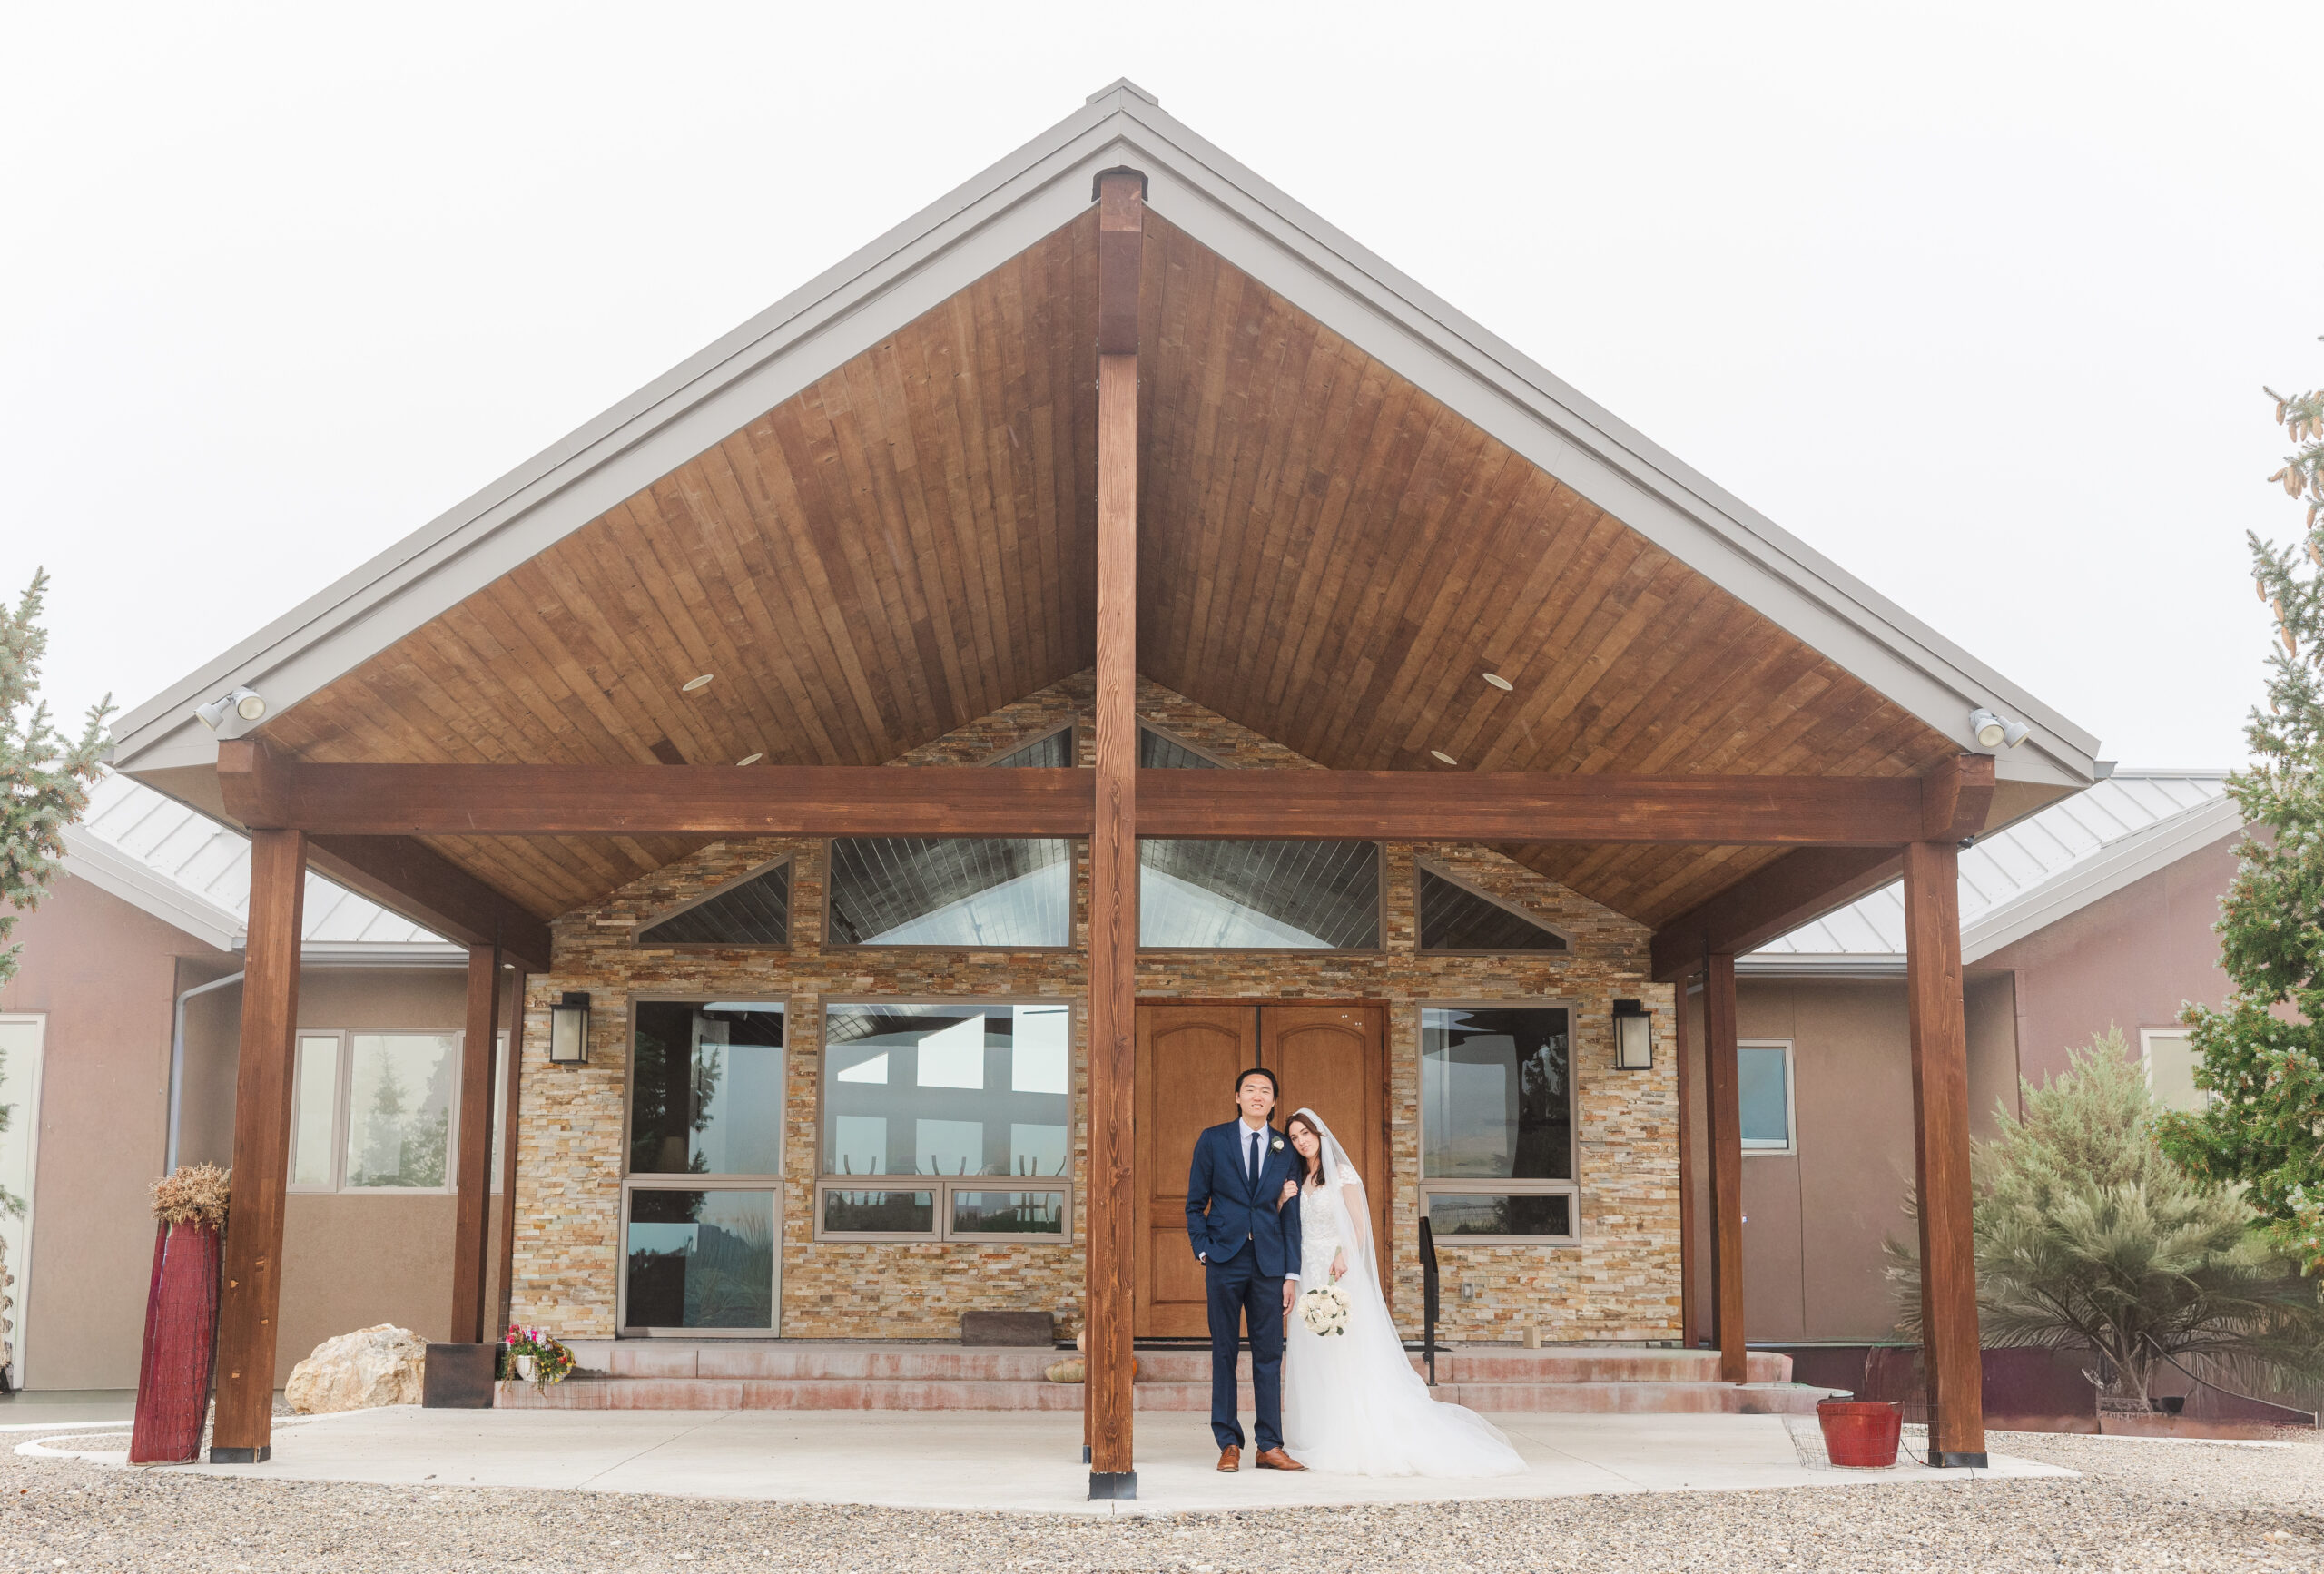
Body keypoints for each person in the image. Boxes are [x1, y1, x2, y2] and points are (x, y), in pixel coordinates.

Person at [1276, 1107, 1525, 1476]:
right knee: (1316, 1354)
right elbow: (1291, 1224)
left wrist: (1345, 1254)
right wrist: (1283, 1200)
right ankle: (1321, 1432)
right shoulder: (1298, 1179)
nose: (1301, 1141)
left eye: (1305, 1133)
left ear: (1320, 1133)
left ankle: (1356, 1434)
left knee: (1347, 1353)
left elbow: (1359, 1227)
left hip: (1336, 1270)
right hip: (1308, 1272)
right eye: (1294, 1137)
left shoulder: (1342, 1174)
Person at [1184, 1067, 1306, 1473]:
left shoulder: (1284, 1148)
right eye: (1250, 1089)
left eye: (1265, 1090)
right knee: (1224, 1352)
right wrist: (1203, 1250)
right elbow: (1194, 1203)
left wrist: (1291, 1273)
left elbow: (1291, 1215)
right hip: (1224, 1259)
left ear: (1274, 1102)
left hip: (1269, 1263)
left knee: (1269, 1354)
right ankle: (1229, 1443)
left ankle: (1269, 1444)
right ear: (1237, 1096)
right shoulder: (1213, 1139)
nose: (1257, 1095)